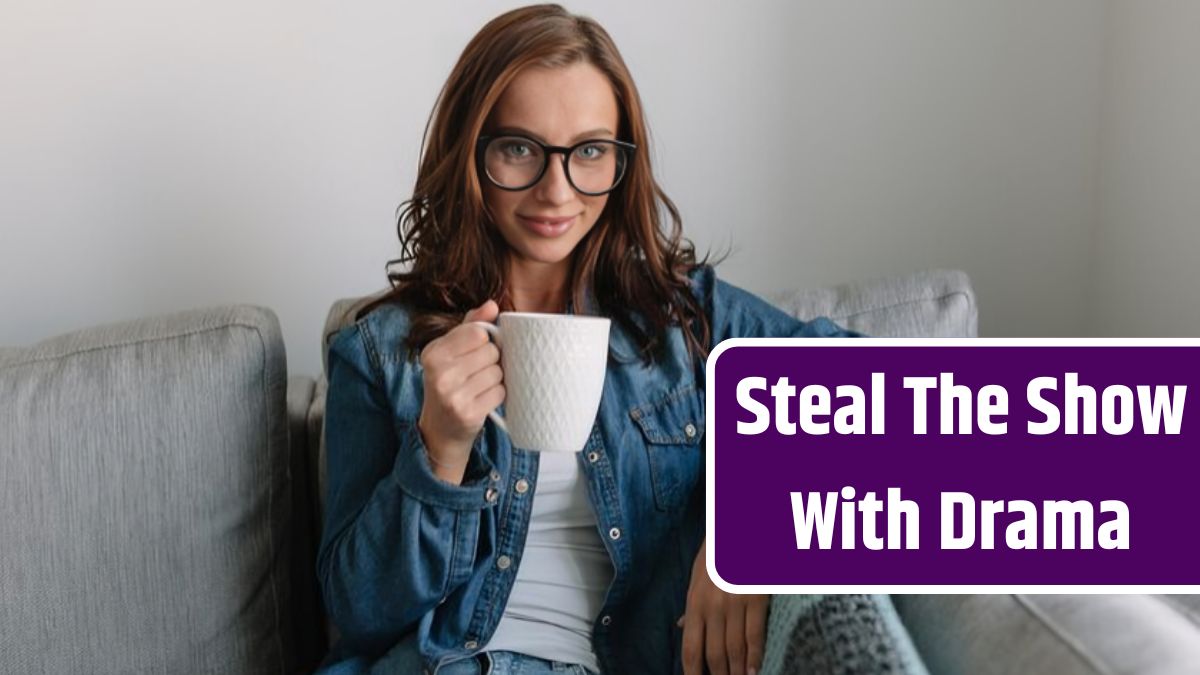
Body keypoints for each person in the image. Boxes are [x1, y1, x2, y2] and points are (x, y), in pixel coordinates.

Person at [316, 5, 857, 674]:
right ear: (470, 152)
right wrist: (439, 448)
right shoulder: (380, 352)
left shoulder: (689, 321)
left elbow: (889, 401)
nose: (556, 190)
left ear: (622, 161)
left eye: (591, 151)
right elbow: (358, 610)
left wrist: (749, 530)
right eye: (519, 148)